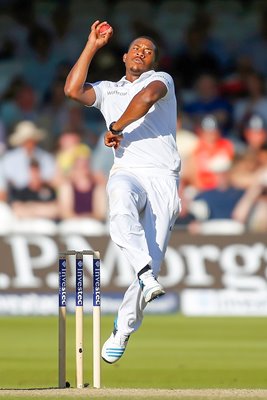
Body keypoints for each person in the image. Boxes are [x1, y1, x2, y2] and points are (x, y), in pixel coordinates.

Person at [64, 20, 181, 364]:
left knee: (154, 263)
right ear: (125, 56)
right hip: (127, 170)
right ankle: (144, 275)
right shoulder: (108, 90)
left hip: (163, 177)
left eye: (148, 51)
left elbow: (145, 99)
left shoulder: (160, 81)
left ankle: (124, 327)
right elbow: (72, 90)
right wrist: (91, 46)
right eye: (136, 48)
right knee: (119, 206)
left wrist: (116, 126)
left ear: (152, 61)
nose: (141, 53)